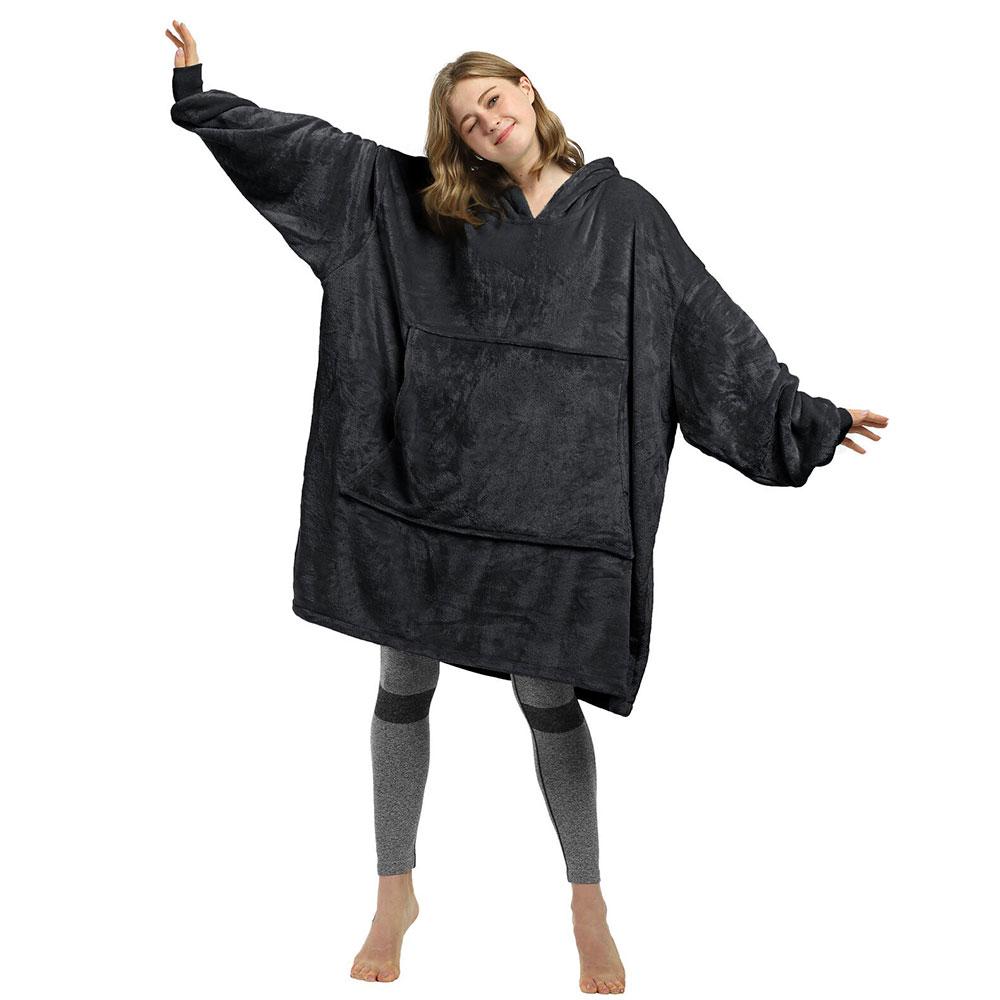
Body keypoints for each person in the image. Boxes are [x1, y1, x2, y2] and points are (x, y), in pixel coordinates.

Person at [165, 19, 887, 994]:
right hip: (427, 494)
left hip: (554, 507)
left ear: (528, 90)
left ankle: (587, 901)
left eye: (493, 101)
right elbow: (323, 161)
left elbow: (704, 327)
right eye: (466, 121)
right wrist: (205, 98)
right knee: (402, 671)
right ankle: (393, 890)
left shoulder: (623, 216)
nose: (485, 123)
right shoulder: (428, 207)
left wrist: (805, 417)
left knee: (548, 693)